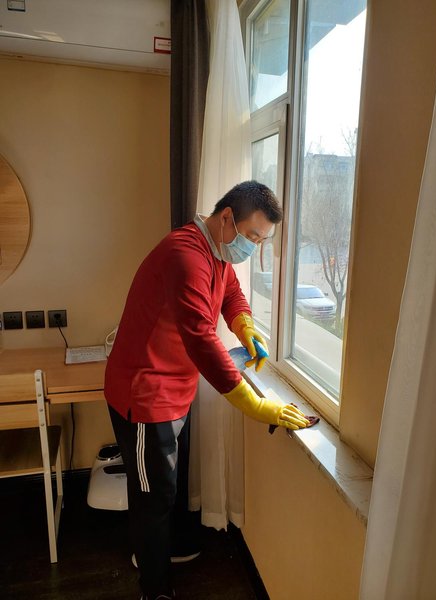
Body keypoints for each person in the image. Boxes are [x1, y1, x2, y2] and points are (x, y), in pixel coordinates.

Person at [104, 180, 310, 600]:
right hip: (145, 395)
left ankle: (160, 551)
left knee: (165, 487)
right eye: (252, 236)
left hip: (175, 389)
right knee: (152, 497)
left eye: (262, 240)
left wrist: (245, 325)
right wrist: (256, 405)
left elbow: (231, 293)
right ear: (227, 217)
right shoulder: (186, 256)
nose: (254, 247)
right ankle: (154, 588)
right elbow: (201, 338)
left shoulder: (215, 251)